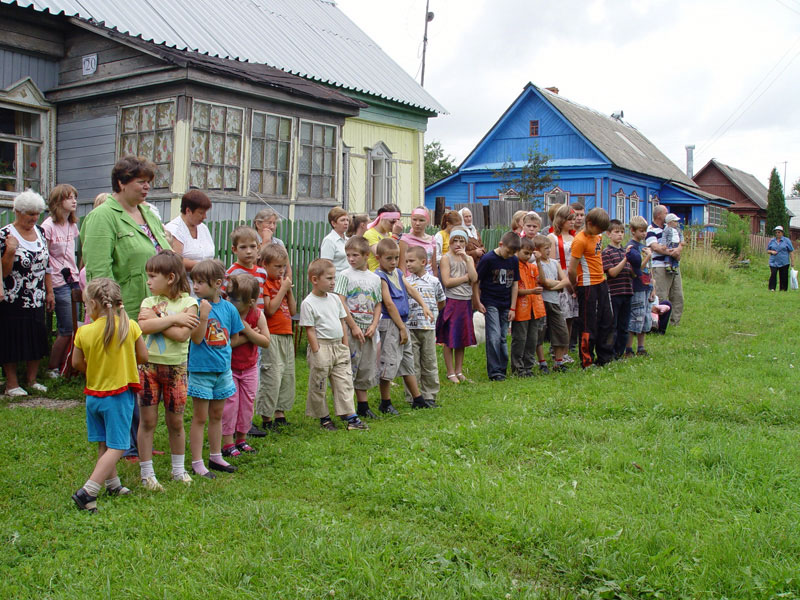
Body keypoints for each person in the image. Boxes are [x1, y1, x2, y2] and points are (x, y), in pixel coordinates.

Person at [70, 278, 147, 512]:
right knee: (118, 445)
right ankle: (88, 490)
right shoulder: (130, 326)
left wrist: (95, 369)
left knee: (104, 442)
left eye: (86, 305)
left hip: (93, 397)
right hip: (118, 397)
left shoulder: (84, 332)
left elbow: (76, 363)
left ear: (93, 303)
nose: (86, 309)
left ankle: (113, 485)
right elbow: (143, 357)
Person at [136, 251, 199, 490]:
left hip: (176, 370)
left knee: (175, 422)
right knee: (148, 421)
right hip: (148, 367)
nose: (148, 281)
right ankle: (147, 473)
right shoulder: (147, 302)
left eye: (153, 276)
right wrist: (174, 319)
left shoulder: (189, 303)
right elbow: (143, 327)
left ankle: (178, 470)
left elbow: (183, 335)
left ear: (170, 277)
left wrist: (159, 319)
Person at [81, 155, 171, 320]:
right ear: (121, 183)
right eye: (140, 182)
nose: (147, 187)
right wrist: (112, 314)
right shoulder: (102, 216)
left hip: (159, 310)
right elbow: (99, 273)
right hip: (125, 313)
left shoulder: (149, 215)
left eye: (148, 182)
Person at [187, 259, 244, 478]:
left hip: (223, 370)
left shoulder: (229, 308)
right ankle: (197, 461)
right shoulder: (195, 306)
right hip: (201, 370)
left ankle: (215, 454)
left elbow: (235, 336)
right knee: (200, 417)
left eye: (201, 282)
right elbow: (197, 338)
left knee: (217, 415)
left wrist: (224, 349)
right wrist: (203, 316)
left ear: (218, 283)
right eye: (195, 282)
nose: (196, 287)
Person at [300, 258, 368, 431]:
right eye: (329, 279)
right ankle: (323, 417)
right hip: (321, 347)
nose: (333, 282)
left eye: (334, 278)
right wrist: (317, 351)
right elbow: (310, 330)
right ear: (315, 280)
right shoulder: (308, 303)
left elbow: (342, 322)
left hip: (338, 347)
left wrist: (345, 345)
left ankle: (350, 416)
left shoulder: (336, 299)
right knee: (319, 384)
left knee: (344, 381)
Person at [0, 190, 54, 396]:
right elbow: (3, 272)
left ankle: (32, 380)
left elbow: (47, 265)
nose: (34, 218)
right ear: (17, 212)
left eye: (37, 213)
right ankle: (12, 384)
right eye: (29, 214)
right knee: (11, 338)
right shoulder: (5, 234)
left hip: (37, 296)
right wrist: (10, 252)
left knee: (36, 336)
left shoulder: (40, 231)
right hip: (13, 297)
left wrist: (50, 292)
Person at [374, 238, 435, 413]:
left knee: (407, 361)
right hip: (390, 323)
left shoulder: (399, 274)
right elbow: (389, 303)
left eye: (396, 258)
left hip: (403, 323)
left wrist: (424, 305)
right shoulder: (380, 277)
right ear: (378, 258)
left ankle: (418, 398)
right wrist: (401, 328)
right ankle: (385, 402)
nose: (393, 262)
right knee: (389, 362)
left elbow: (411, 289)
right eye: (389, 259)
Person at [222, 274, 270, 457]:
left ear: (250, 302)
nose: (230, 301)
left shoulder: (258, 315)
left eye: (235, 299)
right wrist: (248, 336)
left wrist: (247, 329)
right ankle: (228, 443)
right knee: (230, 404)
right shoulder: (227, 314)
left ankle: (241, 439)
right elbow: (226, 343)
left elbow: (266, 341)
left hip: (249, 368)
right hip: (230, 369)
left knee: (247, 404)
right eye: (229, 296)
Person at [335, 235, 382, 419]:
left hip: (368, 329)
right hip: (350, 328)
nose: (351, 259)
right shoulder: (345, 276)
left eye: (355, 255)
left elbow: (378, 303)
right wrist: (353, 326)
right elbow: (341, 301)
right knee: (348, 367)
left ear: (366, 255)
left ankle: (363, 405)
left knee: (365, 366)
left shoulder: (374, 278)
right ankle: (346, 407)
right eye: (348, 255)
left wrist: (374, 324)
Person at [255, 244, 296, 431]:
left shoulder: (282, 283)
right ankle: (266, 416)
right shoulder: (264, 284)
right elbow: (270, 310)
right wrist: (282, 290)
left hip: (287, 333)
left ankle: (280, 413)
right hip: (271, 335)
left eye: (284, 267)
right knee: (272, 374)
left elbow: (293, 310)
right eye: (277, 267)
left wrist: (288, 290)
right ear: (264, 264)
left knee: (286, 375)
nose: (281, 271)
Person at [42, 184, 80, 379]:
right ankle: (52, 367)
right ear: (58, 202)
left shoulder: (72, 225)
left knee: (76, 326)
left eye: (74, 196)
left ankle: (71, 365)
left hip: (73, 277)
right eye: (69, 197)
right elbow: (44, 257)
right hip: (57, 280)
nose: (74, 200)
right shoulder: (48, 226)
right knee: (65, 328)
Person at [568, 207, 613, 368]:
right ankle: (587, 360)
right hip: (587, 285)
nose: (599, 232)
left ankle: (605, 357)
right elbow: (572, 269)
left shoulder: (598, 235)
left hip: (601, 281)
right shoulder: (579, 241)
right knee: (589, 324)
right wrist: (574, 286)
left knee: (606, 320)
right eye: (598, 228)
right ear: (589, 223)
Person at [475, 231, 521, 382]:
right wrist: (477, 301)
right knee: (493, 336)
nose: (510, 255)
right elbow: (476, 281)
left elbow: (515, 284)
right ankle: (495, 371)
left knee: (502, 337)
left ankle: (502, 368)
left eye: (513, 253)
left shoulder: (514, 260)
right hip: (490, 302)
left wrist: (513, 307)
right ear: (501, 244)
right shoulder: (488, 259)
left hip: (506, 303)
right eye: (508, 251)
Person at [404, 245, 446, 405]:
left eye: (411, 261)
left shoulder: (434, 281)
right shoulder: (407, 282)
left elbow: (441, 301)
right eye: (406, 261)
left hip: (428, 328)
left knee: (429, 362)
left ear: (423, 262)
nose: (408, 264)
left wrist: (433, 313)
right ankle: (413, 396)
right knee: (412, 362)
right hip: (411, 327)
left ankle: (429, 395)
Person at [436, 227, 478, 384]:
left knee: (462, 337)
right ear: (450, 242)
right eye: (455, 241)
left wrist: (467, 260)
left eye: (462, 241)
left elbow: (474, 278)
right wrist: (465, 277)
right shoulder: (446, 258)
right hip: (452, 301)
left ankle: (459, 370)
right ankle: (450, 371)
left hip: (465, 300)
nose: (458, 244)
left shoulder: (468, 259)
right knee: (450, 337)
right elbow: (447, 282)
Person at [510, 236, 545, 377]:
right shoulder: (514, 266)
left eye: (530, 254)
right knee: (520, 339)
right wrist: (531, 291)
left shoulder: (532, 267)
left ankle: (528, 367)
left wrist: (538, 261)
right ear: (517, 251)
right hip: (521, 309)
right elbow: (515, 290)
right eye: (525, 253)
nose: (528, 256)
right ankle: (518, 368)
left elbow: (541, 280)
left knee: (532, 339)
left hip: (535, 309)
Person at [165, 190, 215, 289]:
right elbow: (176, 261)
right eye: (201, 213)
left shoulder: (203, 228)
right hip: (184, 287)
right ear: (188, 211)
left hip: (207, 286)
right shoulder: (174, 229)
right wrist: (206, 267)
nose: (205, 217)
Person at [536, 234, 570, 373]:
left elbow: (566, 280)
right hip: (542, 301)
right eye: (545, 248)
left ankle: (558, 361)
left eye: (549, 248)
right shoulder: (535, 264)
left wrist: (554, 286)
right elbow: (543, 281)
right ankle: (542, 362)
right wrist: (558, 284)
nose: (548, 251)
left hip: (555, 301)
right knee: (540, 332)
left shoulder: (554, 263)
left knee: (561, 330)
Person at [548, 204, 578, 363]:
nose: (573, 222)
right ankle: (556, 350)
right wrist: (562, 281)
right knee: (560, 317)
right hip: (560, 278)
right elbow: (551, 262)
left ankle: (565, 350)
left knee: (571, 317)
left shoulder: (574, 237)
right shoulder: (552, 238)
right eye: (569, 219)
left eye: (574, 219)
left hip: (573, 277)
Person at [602, 219, 634, 359]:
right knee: (613, 325)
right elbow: (612, 273)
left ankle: (621, 352)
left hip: (627, 291)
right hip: (614, 293)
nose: (620, 235)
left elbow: (632, 273)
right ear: (609, 234)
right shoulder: (607, 252)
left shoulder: (624, 251)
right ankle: (611, 352)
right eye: (616, 232)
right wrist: (625, 259)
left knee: (624, 326)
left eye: (622, 232)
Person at [647, 205, 683, 325]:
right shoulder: (651, 229)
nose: (668, 215)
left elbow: (679, 243)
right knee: (661, 295)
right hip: (660, 266)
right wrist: (672, 253)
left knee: (677, 295)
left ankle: (675, 322)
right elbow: (655, 247)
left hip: (674, 265)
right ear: (658, 215)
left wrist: (678, 251)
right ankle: (658, 322)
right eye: (665, 213)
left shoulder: (671, 229)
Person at [626, 216, 653, 356]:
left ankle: (641, 347)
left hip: (647, 286)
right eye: (641, 231)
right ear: (633, 231)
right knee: (636, 315)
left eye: (645, 231)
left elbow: (649, 268)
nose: (644, 234)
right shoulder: (632, 248)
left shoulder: (644, 247)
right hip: (636, 286)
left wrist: (653, 286)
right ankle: (629, 348)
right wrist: (647, 256)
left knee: (645, 317)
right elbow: (637, 270)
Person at [223, 226, 267, 310]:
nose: (249, 251)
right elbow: (221, 297)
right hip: (239, 319)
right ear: (234, 249)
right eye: (243, 247)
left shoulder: (262, 273)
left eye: (252, 246)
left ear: (258, 247)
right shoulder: (231, 273)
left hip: (259, 319)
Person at [364, 203, 402, 271]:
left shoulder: (390, 234)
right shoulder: (370, 234)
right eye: (392, 222)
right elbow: (384, 254)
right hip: (377, 275)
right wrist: (395, 235)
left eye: (397, 222)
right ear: (382, 218)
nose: (394, 226)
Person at [401, 206, 438, 277]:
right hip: (411, 282)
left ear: (427, 221)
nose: (417, 223)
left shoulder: (432, 240)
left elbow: (434, 268)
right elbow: (402, 268)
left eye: (421, 220)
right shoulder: (405, 239)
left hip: (429, 281)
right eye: (414, 219)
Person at [320, 207, 350, 273]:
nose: (346, 223)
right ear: (334, 223)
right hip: (336, 280)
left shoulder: (348, 241)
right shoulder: (329, 240)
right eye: (342, 220)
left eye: (347, 220)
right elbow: (326, 266)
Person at [767, 225, 794, 292]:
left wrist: (792, 261)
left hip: (784, 262)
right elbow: (767, 250)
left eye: (779, 232)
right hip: (773, 262)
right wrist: (772, 251)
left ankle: (783, 289)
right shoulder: (772, 241)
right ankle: (772, 288)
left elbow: (791, 251)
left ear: (782, 233)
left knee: (783, 276)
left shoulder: (786, 241)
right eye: (776, 232)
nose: (777, 234)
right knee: (773, 274)